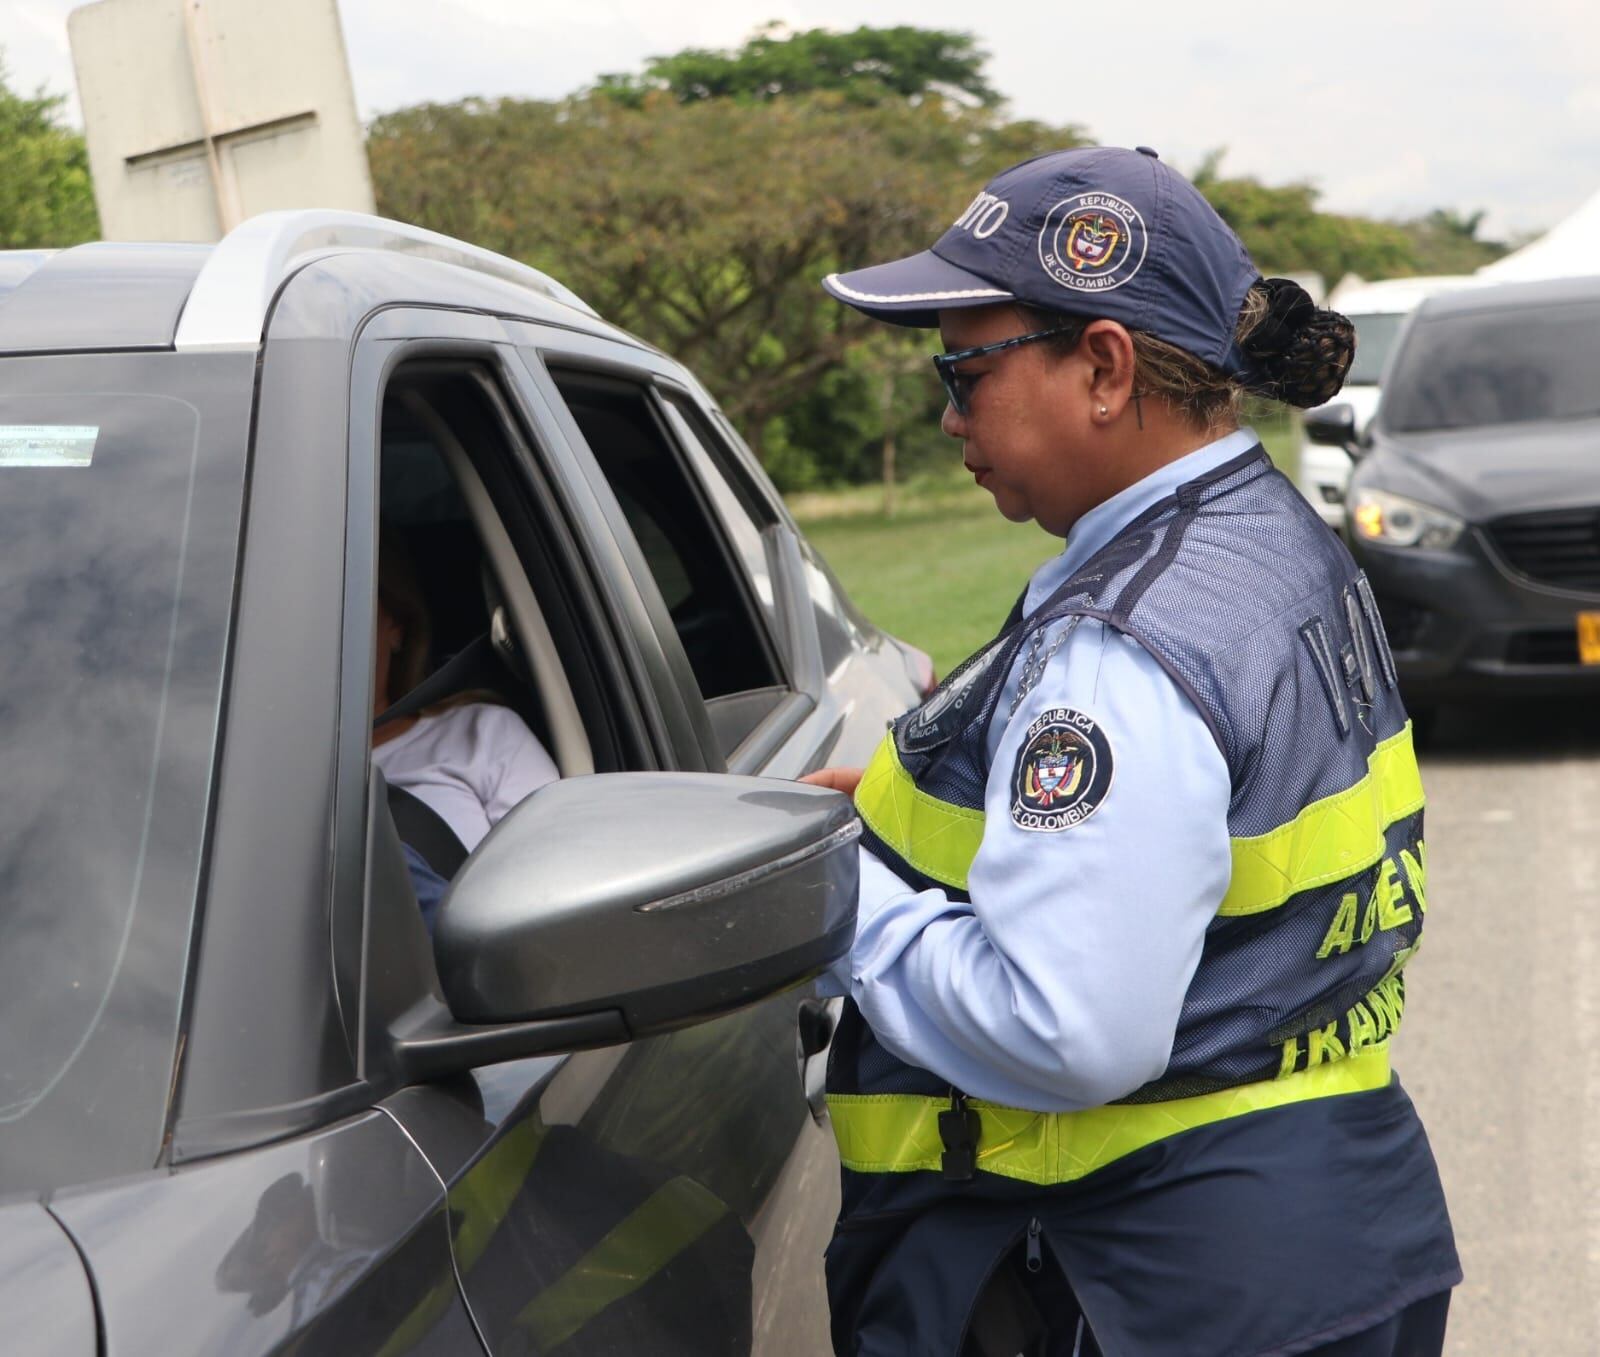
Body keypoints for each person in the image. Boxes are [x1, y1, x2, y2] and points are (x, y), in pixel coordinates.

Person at [802, 146, 1459, 1357]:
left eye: (963, 368)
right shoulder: (1265, 533)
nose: (949, 416)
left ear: (1102, 367)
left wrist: (836, 905)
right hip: (1323, 1238)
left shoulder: (1122, 642)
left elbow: (1070, 1028)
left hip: (1146, 1279)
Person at [372, 526, 559, 867]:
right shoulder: (255, 773)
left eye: (341, 609)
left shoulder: (481, 733)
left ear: (396, 627)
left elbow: (557, 869)